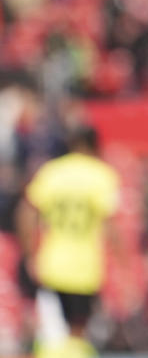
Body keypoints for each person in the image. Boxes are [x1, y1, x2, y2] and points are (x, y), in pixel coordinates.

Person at [16, 124, 122, 358]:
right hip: (86, 270)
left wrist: (29, 254)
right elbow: (112, 226)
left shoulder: (51, 172)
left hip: (50, 266)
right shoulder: (101, 175)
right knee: (78, 336)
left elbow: (26, 213)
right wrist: (124, 265)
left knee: (50, 337)